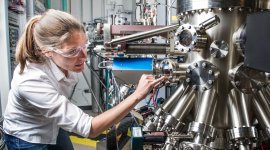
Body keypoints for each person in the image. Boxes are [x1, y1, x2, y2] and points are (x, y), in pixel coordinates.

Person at [3, 9, 166, 150]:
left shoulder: (67, 61)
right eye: (73, 51)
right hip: (27, 136)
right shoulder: (30, 80)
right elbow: (90, 128)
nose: (84, 56)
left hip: (54, 125)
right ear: (47, 52)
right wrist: (137, 95)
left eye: (84, 46)